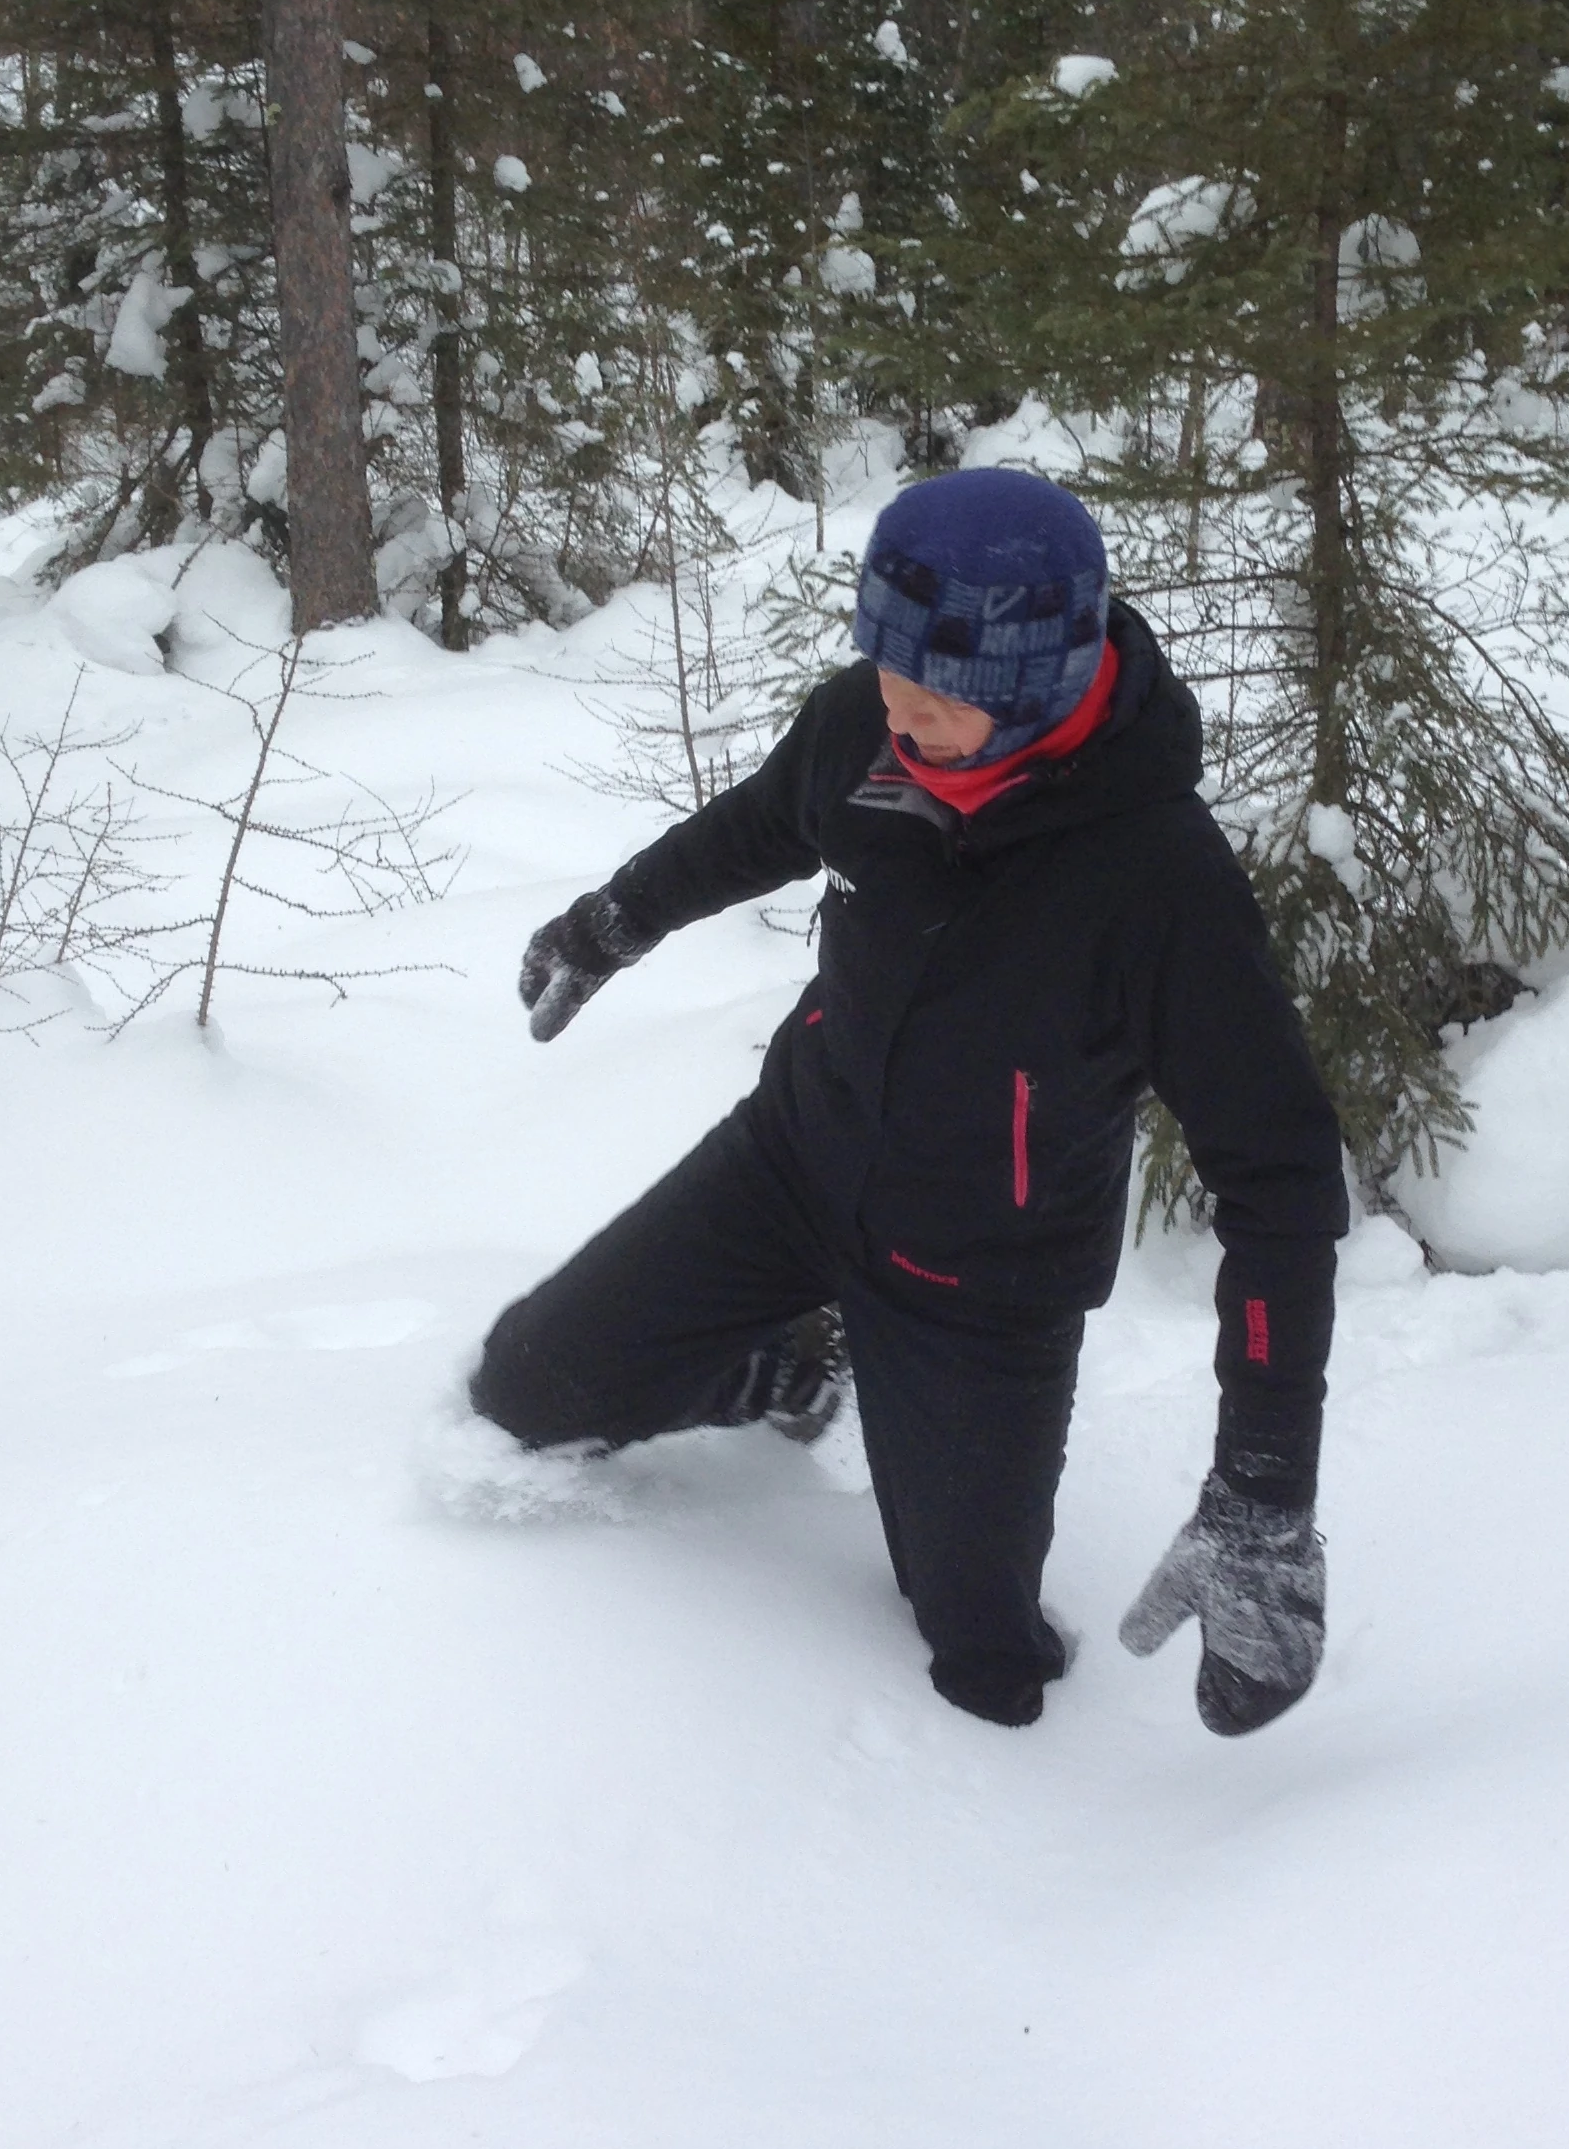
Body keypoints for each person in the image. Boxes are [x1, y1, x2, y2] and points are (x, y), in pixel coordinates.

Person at [467, 467, 1348, 1733]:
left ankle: (892, 1428)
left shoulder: (1159, 884)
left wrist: (1264, 1489)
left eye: (937, 693)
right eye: (887, 669)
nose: (898, 710)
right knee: (522, 1391)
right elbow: (760, 824)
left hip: (984, 1278)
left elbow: (1283, 1186)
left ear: (1039, 685)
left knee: (985, 1656)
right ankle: (783, 1366)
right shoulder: (865, 729)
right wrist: (615, 922)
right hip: (793, 1163)